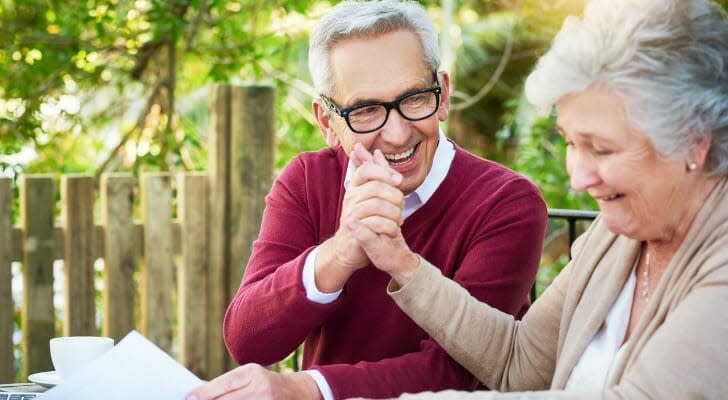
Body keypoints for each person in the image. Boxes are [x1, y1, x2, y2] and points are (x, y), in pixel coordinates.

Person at [345, 0, 728, 398]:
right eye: (570, 142)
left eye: (601, 149)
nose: (577, 178)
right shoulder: (619, 235)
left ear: (694, 144)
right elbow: (520, 364)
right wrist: (400, 261)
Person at [186, 1, 547, 399]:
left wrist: (306, 389)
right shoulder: (308, 181)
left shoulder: (506, 202)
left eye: (413, 99)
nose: (396, 134)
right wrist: (341, 252)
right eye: (366, 110)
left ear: (442, 95)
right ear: (327, 122)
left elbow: (459, 371)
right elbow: (248, 341)